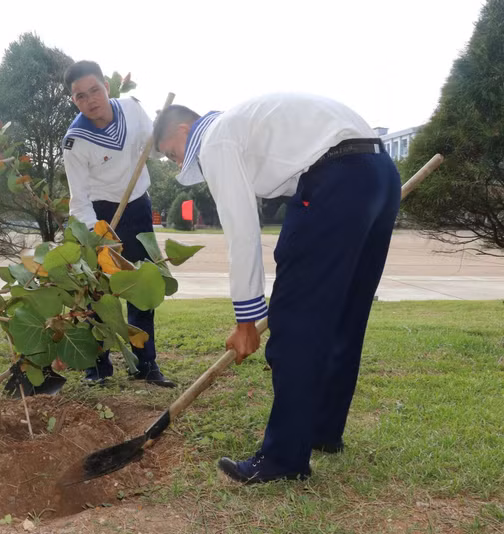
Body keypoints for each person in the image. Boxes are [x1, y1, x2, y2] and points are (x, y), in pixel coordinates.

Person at [153, 93, 401, 483]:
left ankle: (284, 458)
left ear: (185, 130)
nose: (179, 163)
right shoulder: (247, 126)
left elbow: (241, 231)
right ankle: (322, 430)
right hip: (380, 173)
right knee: (344, 317)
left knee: (295, 324)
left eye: (171, 155)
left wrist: (247, 319)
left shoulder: (215, 138)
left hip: (336, 178)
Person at [61, 60, 175, 388]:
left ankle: (145, 364)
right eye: (81, 96)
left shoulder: (132, 109)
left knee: (141, 287)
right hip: (99, 215)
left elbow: (152, 152)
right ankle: (97, 369)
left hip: (138, 208)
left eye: (94, 90)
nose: (90, 99)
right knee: (98, 293)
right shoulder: (75, 140)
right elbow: (78, 199)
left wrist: (157, 140)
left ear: (106, 88)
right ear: (75, 101)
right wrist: (97, 236)